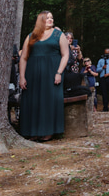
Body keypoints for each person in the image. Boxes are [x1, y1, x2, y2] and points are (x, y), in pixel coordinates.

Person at [18, 11, 70, 141]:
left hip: (52, 73)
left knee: (50, 101)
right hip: (33, 74)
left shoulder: (59, 35)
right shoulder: (31, 36)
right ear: (41, 20)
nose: (50, 20)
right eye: (47, 18)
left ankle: (49, 131)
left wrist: (59, 72)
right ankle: (32, 131)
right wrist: (22, 76)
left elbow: (65, 55)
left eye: (52, 18)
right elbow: (23, 58)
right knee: (33, 101)